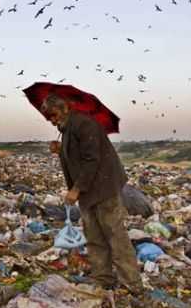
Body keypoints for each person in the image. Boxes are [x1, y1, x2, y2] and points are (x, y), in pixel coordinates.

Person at [41, 94, 143, 294]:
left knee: (115, 235)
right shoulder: (68, 128)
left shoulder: (84, 125)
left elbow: (91, 159)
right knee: (94, 237)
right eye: (48, 117)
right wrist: (60, 150)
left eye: (53, 115)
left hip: (103, 188)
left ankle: (132, 284)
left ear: (64, 109)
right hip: (89, 191)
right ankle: (103, 278)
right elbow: (78, 154)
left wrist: (76, 189)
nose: (52, 120)